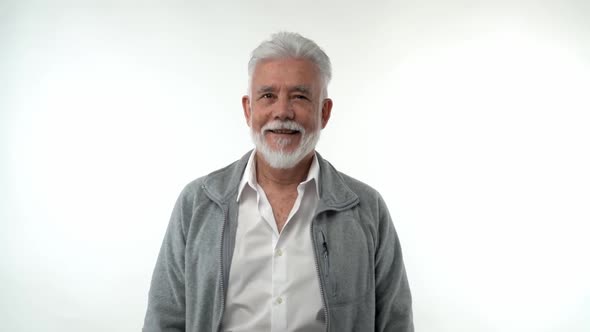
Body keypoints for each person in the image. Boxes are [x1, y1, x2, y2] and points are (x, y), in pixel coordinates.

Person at [143, 31, 413, 332]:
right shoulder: (197, 203)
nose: (282, 112)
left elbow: (395, 324)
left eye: (299, 96)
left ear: (324, 112)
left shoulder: (366, 209)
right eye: (268, 95)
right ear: (249, 109)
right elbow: (163, 321)